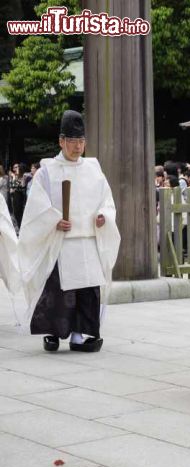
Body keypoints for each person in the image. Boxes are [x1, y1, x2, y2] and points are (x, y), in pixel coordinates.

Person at [18, 110, 120, 352]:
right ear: (61, 141)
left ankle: (80, 335)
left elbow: (107, 200)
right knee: (59, 291)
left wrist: (104, 216)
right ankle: (53, 333)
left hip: (89, 240)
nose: (77, 147)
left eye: (81, 141)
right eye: (72, 141)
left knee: (88, 290)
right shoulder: (47, 171)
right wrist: (54, 221)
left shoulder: (94, 168)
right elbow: (36, 208)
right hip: (61, 242)